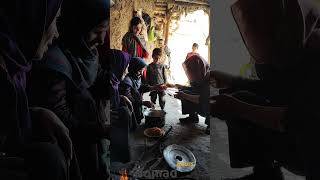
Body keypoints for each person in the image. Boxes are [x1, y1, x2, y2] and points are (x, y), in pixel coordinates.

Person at [210, 0, 320, 179]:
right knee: (242, 97)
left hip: (312, 150)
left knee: (239, 104)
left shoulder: (314, 53)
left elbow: (303, 120)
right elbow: (274, 88)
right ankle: (266, 173)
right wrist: (231, 81)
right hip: (296, 134)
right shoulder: (292, 48)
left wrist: (237, 107)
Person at [27, 0, 110, 179]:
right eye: (97, 31)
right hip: (72, 147)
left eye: (105, 31)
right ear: (78, 26)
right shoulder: (53, 63)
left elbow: (97, 76)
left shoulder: (86, 53)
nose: (102, 40)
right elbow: (61, 118)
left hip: (89, 139)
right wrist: (100, 130)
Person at [0, 0, 82, 180]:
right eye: (54, 21)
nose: (56, 33)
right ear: (32, 20)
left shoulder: (17, 69)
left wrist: (36, 114)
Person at [120, 57, 165, 128]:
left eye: (142, 70)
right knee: (132, 126)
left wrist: (154, 87)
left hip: (137, 106)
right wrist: (143, 103)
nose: (141, 73)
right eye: (139, 71)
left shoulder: (137, 77)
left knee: (138, 121)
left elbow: (141, 88)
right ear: (133, 69)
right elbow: (129, 100)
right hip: (131, 109)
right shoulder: (127, 81)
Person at [173, 55, 210, 134]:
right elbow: (195, 90)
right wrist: (181, 87)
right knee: (183, 91)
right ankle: (193, 118)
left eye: (191, 71)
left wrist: (184, 95)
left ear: (197, 69)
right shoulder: (200, 74)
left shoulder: (211, 78)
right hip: (202, 99)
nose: (189, 73)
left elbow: (204, 99)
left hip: (211, 103)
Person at [109, 49, 132, 163]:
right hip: (104, 122)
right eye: (125, 66)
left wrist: (122, 97)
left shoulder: (114, 82)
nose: (127, 71)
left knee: (125, 109)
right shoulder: (108, 84)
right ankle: (119, 155)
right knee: (124, 112)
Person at [122, 17, 149, 81]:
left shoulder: (141, 38)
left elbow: (145, 54)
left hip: (142, 64)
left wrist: (143, 66)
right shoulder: (127, 38)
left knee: (143, 82)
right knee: (133, 82)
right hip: (133, 65)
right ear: (131, 27)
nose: (138, 30)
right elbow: (124, 53)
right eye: (135, 28)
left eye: (139, 28)